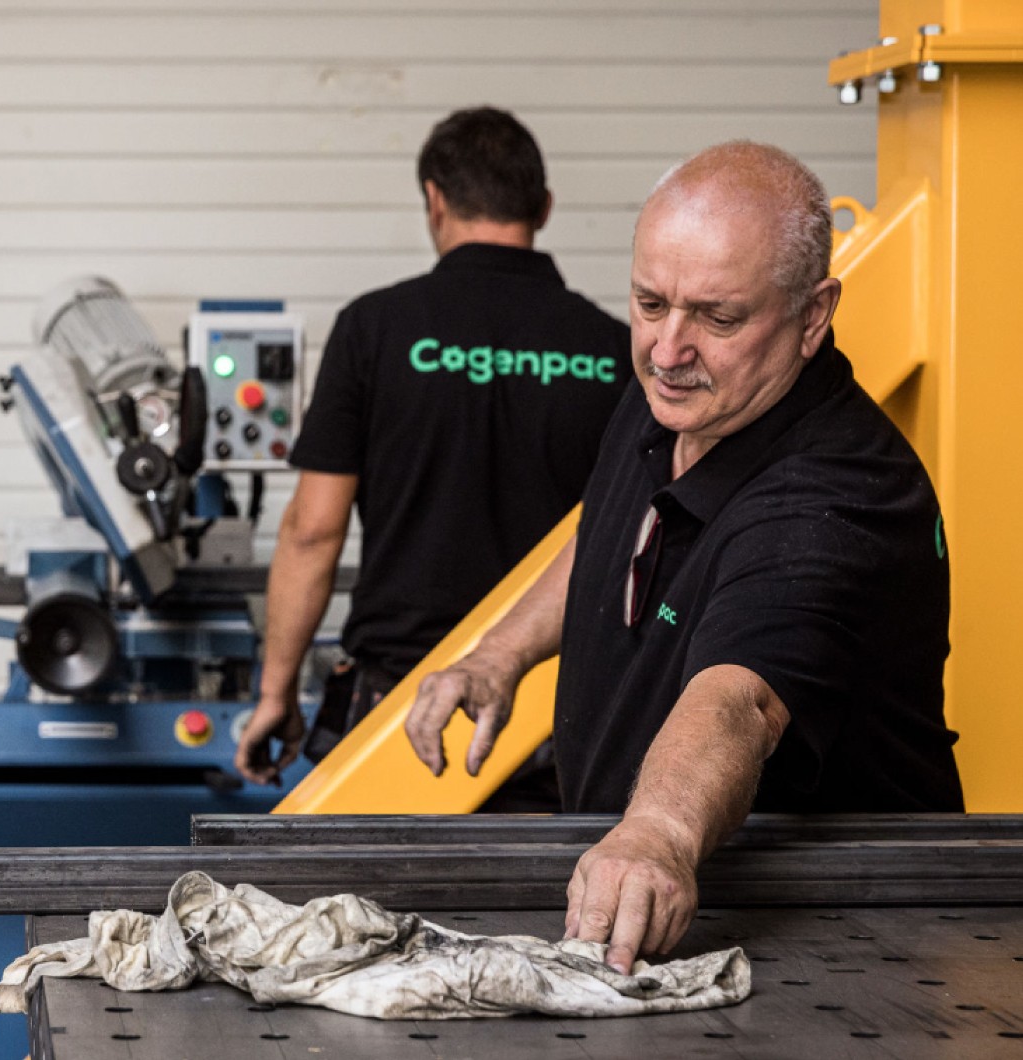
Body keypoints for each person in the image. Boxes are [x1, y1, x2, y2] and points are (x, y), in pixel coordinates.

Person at [403, 142, 963, 976]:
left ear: (814, 316)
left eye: (718, 316)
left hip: (843, 940)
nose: (668, 348)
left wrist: (657, 831)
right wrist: (500, 654)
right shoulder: (680, 396)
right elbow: (614, 529)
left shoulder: (839, 496)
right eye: (649, 302)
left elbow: (740, 701)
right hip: (655, 903)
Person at [235, 107, 630, 792]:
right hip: (551, 716)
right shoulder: (614, 348)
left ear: (435, 199)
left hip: (397, 708)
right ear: (542, 207)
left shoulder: (374, 329)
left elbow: (313, 530)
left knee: (372, 901)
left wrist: (276, 694)